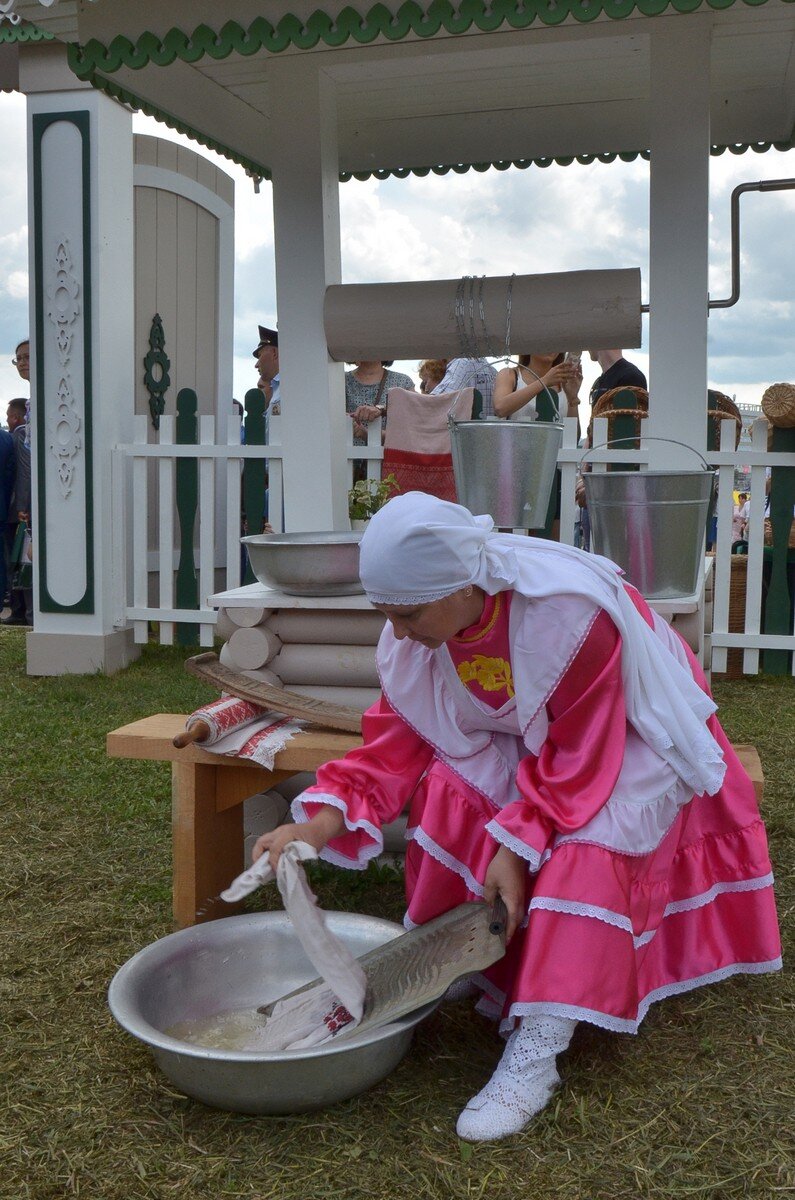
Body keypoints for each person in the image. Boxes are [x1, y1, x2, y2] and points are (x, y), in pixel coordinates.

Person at [252, 492, 781, 1143]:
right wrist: (317, 825)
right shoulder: (421, 636)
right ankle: (462, 957)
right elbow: (394, 743)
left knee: (586, 844)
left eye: (408, 613)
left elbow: (580, 752)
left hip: (623, 728)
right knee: (453, 786)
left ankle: (537, 1051)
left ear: (465, 585)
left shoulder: (567, 619)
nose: (395, 631)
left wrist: (521, 843)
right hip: (533, 733)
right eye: (383, 613)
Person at [492, 352, 581, 422]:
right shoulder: (509, 374)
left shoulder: (565, 383)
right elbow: (500, 408)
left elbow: (573, 437)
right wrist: (544, 381)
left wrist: (572, 399)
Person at [345, 361, 415, 446]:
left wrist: (365, 433)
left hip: (390, 457)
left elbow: (413, 431)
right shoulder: (339, 380)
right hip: (344, 457)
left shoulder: (403, 382)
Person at [431, 357, 497, 418]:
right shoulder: (492, 370)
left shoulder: (461, 364)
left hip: (464, 429)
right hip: (486, 427)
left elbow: (437, 402)